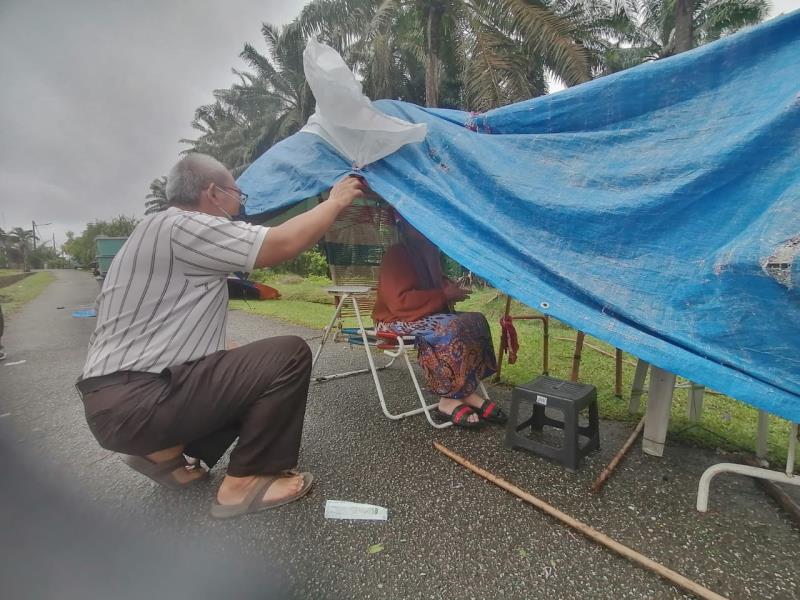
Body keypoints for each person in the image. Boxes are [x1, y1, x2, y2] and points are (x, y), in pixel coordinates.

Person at [76, 153, 367, 518]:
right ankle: (245, 482)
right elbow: (281, 243)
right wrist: (337, 200)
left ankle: (163, 456)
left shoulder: (155, 230)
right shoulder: (184, 225)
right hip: (139, 402)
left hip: (117, 404)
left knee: (237, 360)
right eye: (237, 196)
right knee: (288, 355)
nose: (239, 205)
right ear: (213, 193)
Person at [371, 217, 504, 428]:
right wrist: (443, 295)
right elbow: (399, 303)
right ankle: (447, 399)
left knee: (476, 320)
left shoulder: (429, 252)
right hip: (394, 321)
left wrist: (450, 289)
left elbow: (436, 284)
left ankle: (466, 391)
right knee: (449, 327)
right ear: (404, 226)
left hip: (424, 315)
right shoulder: (397, 255)